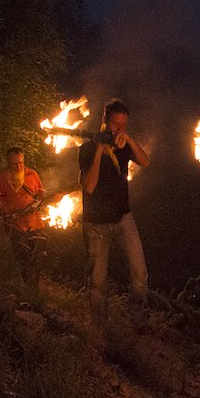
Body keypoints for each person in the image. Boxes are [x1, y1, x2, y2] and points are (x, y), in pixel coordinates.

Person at [78, 99, 150, 322]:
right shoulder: (87, 148)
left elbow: (145, 161)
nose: (117, 129)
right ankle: (98, 326)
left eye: (123, 125)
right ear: (104, 120)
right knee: (97, 281)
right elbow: (88, 187)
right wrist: (100, 150)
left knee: (140, 274)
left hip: (123, 218)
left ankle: (137, 319)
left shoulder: (123, 145)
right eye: (114, 124)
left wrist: (128, 140)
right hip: (96, 224)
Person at [0, 148, 46, 287]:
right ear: (8, 163)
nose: (19, 166)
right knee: (23, 258)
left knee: (38, 258)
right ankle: (27, 290)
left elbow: (40, 192)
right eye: (14, 164)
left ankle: (34, 289)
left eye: (21, 162)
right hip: (16, 225)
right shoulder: (1, 179)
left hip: (35, 224)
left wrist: (40, 198)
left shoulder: (32, 174)